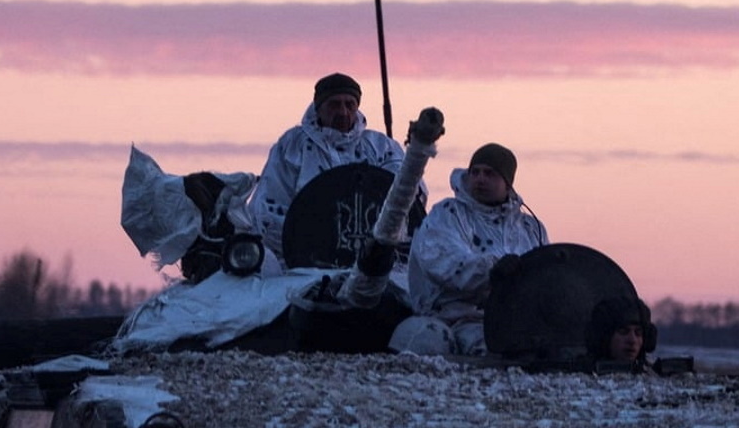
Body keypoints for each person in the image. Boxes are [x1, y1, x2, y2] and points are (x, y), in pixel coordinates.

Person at [390, 143, 548, 356]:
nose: (480, 179)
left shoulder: (530, 228)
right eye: (475, 172)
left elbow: (545, 277)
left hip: (509, 321)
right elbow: (442, 261)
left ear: (508, 183)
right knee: (429, 340)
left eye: (490, 174)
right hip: (450, 317)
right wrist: (492, 270)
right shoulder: (447, 214)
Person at [252, 72, 409, 271]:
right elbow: (269, 207)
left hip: (379, 266)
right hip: (302, 267)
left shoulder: (382, 148)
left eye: (349, 104)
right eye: (334, 104)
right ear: (319, 108)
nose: (343, 112)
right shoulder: (292, 147)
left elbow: (408, 196)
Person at [586, 295, 657, 369]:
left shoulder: (651, 373)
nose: (632, 340)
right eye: (623, 332)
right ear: (605, 337)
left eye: (638, 333)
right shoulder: (581, 375)